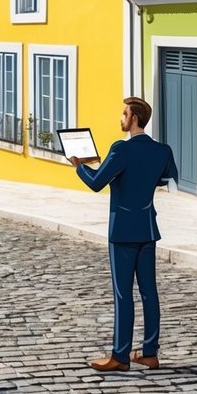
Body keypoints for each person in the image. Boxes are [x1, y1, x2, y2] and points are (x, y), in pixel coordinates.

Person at [69, 97, 177, 372]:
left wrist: (79, 166)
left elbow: (96, 182)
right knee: (149, 292)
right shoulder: (162, 150)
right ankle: (150, 353)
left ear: (134, 119)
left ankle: (120, 356)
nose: (121, 117)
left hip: (122, 231)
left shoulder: (121, 150)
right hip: (147, 227)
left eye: (124, 113)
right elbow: (166, 179)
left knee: (123, 294)